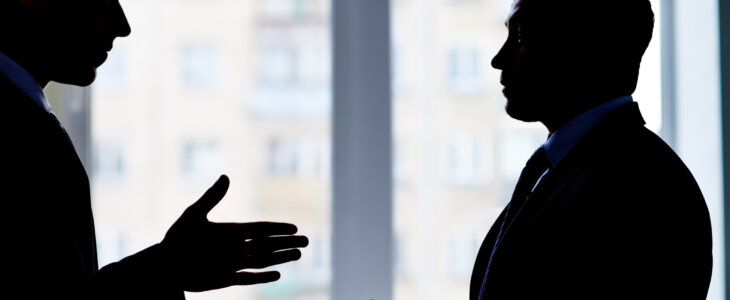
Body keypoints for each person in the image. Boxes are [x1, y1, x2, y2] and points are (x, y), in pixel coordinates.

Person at [0, 1, 308, 299]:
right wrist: (168, 267)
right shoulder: (13, 130)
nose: (122, 26)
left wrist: (169, 266)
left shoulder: (26, 115)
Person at [470, 0, 713, 299]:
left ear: (590, 51)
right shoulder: (578, 169)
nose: (499, 58)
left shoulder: (645, 189)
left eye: (521, 36)